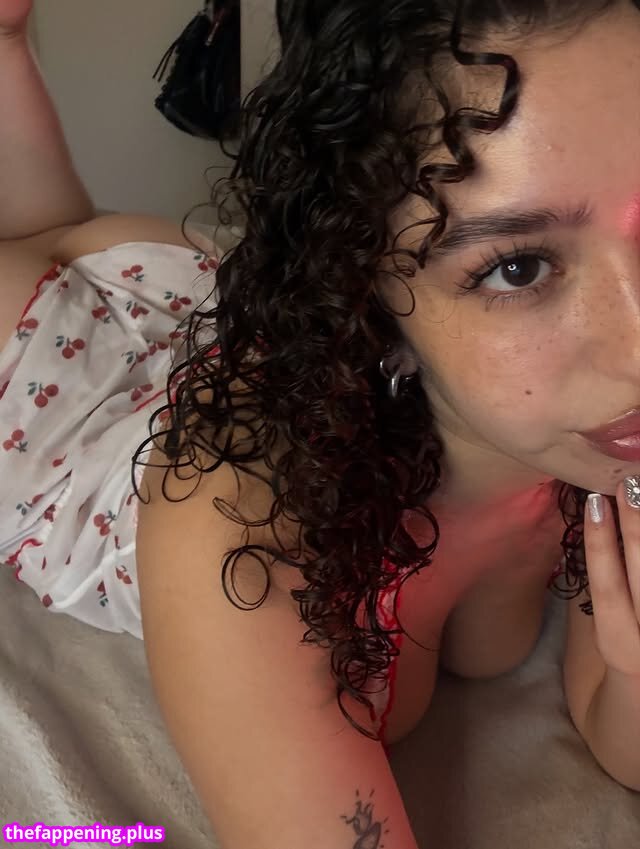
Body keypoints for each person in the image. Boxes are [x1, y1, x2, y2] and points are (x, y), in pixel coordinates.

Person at [2, 0, 640, 847]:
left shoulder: (601, 437)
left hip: (179, 309)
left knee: (56, 230)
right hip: (41, 380)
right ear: (364, 293)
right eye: (519, 267)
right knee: (37, 246)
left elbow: (617, 726)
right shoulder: (243, 526)